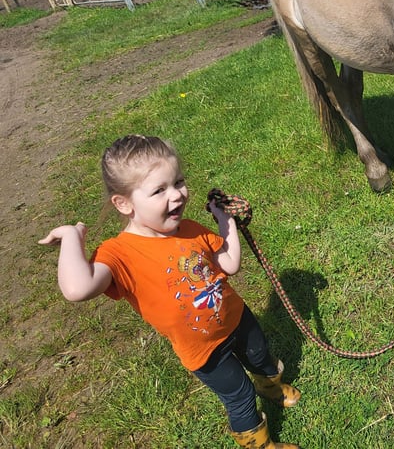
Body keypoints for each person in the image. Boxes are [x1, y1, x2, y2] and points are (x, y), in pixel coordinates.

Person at [39, 135, 301, 449]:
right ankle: (261, 446)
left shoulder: (189, 228)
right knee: (240, 395)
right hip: (203, 351)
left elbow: (229, 264)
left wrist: (224, 221)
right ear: (124, 203)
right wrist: (71, 237)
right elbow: (77, 288)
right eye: (159, 190)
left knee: (261, 358)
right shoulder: (119, 254)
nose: (177, 195)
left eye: (178, 182)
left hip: (237, 318)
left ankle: (271, 388)